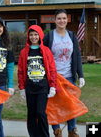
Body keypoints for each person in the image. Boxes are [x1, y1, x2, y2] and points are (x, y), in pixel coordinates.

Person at [43, 9, 85, 137]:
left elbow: (76, 56)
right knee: (54, 105)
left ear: (67, 20)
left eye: (64, 18)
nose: (62, 21)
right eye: (59, 18)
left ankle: (72, 131)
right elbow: (43, 56)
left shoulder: (72, 36)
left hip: (69, 77)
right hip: (54, 78)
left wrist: (81, 75)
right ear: (55, 20)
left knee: (70, 105)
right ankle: (57, 130)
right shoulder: (49, 36)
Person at [18, 25, 58, 137]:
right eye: (31, 35)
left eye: (36, 34)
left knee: (41, 113)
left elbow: (52, 69)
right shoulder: (24, 52)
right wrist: (22, 88)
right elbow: (21, 71)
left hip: (42, 87)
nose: (33, 37)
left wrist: (53, 86)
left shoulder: (46, 51)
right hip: (30, 87)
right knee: (31, 114)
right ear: (28, 36)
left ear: (40, 36)